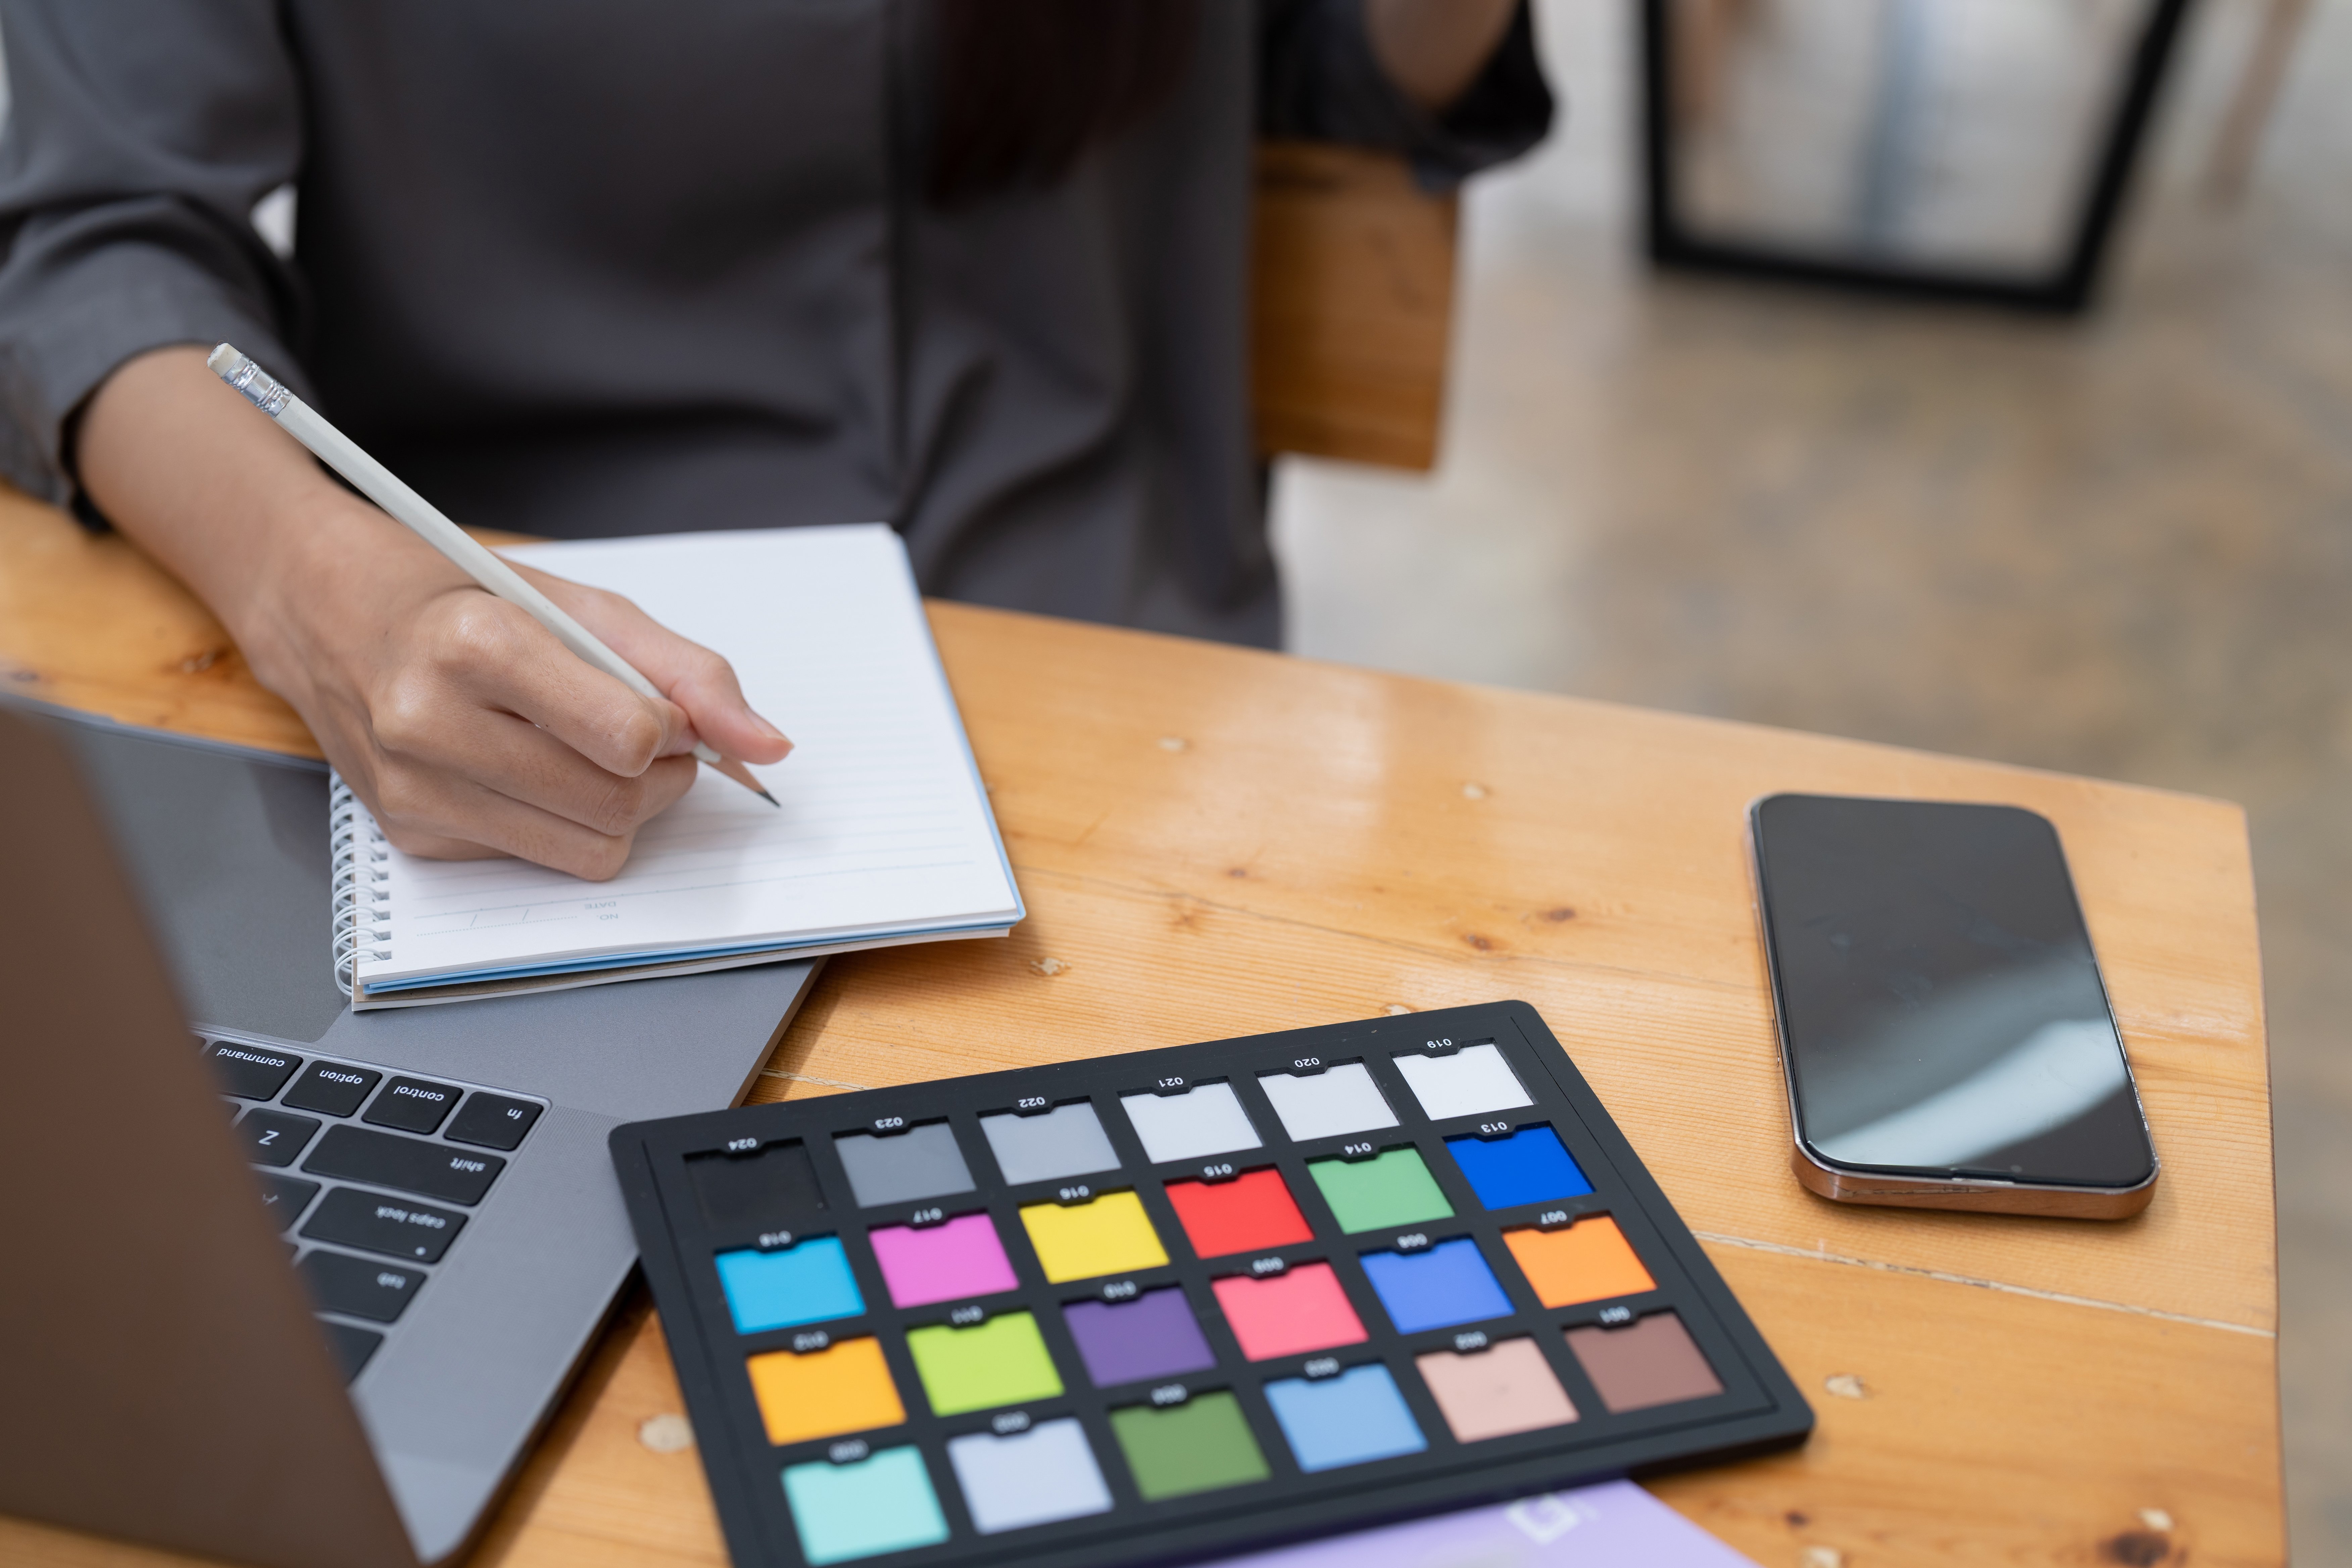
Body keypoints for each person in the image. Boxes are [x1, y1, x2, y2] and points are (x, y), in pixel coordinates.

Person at [0, 0, 1551, 878]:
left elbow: (1346, 74)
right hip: (523, 718)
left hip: (1140, 725)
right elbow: (93, 239)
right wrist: (323, 590)